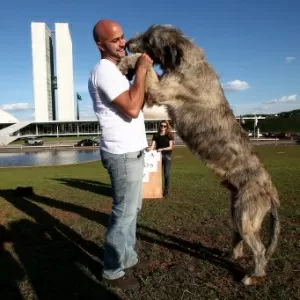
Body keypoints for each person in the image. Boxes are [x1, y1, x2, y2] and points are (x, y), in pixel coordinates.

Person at [88, 19, 153, 290]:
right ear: (100, 45)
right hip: (122, 153)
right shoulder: (104, 71)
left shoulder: (115, 71)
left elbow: (137, 102)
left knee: (133, 209)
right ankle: (112, 270)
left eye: (122, 37)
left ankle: (127, 256)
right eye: (115, 40)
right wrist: (141, 70)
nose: (122, 43)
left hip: (133, 151)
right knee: (123, 213)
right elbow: (132, 109)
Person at [147, 120, 174, 197]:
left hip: (167, 156)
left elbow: (170, 147)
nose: (163, 127)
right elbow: (152, 146)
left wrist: (162, 149)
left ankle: (166, 190)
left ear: (167, 127)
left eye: (165, 126)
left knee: (166, 174)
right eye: (161, 125)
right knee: (156, 174)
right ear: (159, 126)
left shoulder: (169, 135)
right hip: (157, 157)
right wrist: (148, 148)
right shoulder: (156, 135)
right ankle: (155, 189)